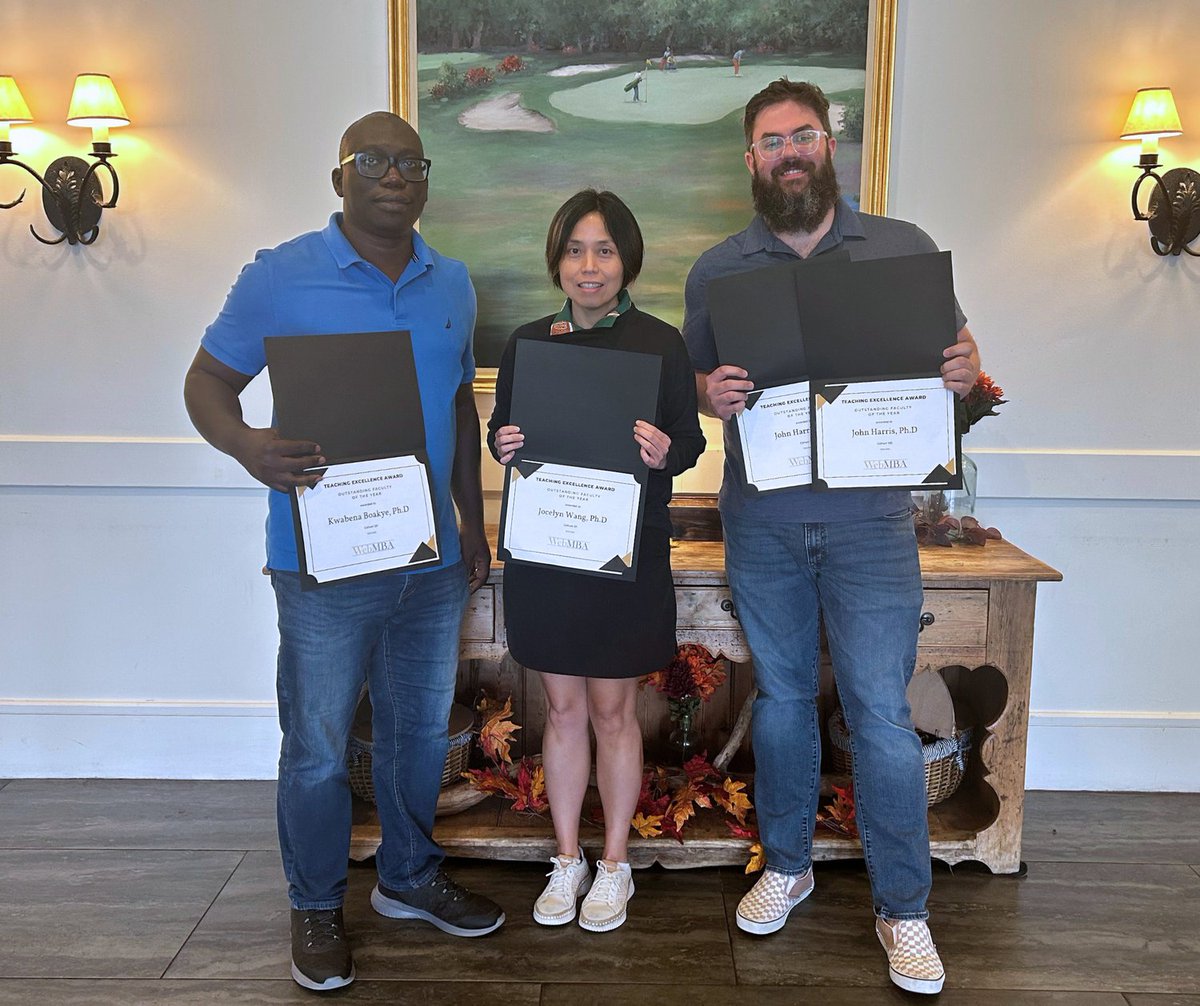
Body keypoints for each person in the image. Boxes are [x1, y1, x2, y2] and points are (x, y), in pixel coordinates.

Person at [183, 110, 504, 993]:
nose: (394, 176)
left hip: (429, 561)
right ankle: (317, 905)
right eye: (373, 161)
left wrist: (472, 525)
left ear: (427, 181)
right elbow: (206, 380)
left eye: (411, 163)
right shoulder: (278, 276)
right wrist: (250, 446)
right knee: (319, 745)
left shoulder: (453, 283)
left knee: (414, 730)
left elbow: (455, 412)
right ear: (340, 179)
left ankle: (407, 878)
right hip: (321, 566)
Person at [681, 79, 979, 996]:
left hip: (872, 527)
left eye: (803, 135)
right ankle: (789, 865)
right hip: (762, 521)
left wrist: (966, 373)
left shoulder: (902, 249)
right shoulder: (718, 269)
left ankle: (904, 909)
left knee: (883, 715)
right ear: (751, 160)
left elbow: (956, 373)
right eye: (771, 142)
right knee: (778, 701)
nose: (789, 153)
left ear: (829, 145)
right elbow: (698, 385)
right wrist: (710, 393)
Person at [488, 190, 705, 933]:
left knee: (614, 712)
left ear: (626, 260)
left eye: (604, 249)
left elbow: (690, 440)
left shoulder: (660, 342)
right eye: (576, 249)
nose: (589, 265)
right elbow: (501, 433)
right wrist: (504, 446)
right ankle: (566, 859)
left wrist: (664, 452)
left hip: (623, 553)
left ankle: (613, 866)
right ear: (557, 261)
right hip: (548, 551)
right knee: (564, 709)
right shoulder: (526, 342)